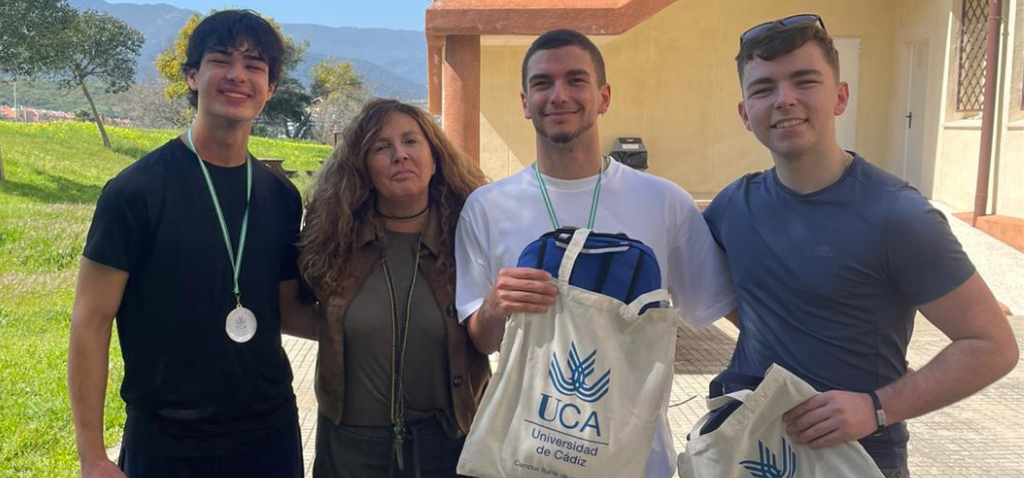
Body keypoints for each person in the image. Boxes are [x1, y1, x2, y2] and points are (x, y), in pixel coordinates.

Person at [703, 14, 1019, 477]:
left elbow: (992, 346)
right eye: (763, 88)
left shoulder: (898, 215)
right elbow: (704, 284)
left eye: (804, 81)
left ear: (840, 97)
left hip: (858, 459)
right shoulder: (733, 206)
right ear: (745, 112)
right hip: (749, 451)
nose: (785, 99)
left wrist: (878, 406)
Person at [454, 29, 737, 478]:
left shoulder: (665, 203)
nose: (559, 95)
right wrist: (494, 306)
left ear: (604, 96)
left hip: (639, 462)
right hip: (527, 456)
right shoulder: (487, 207)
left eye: (576, 80)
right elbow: (481, 341)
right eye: (543, 83)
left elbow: (723, 310)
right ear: (525, 102)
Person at [68, 10, 309, 478]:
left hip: (270, 437)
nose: (238, 75)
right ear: (193, 76)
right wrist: (92, 457)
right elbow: (90, 322)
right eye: (222, 60)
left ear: (271, 88)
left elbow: (287, 308)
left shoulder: (280, 195)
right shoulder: (135, 191)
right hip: (167, 444)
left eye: (255, 66)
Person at [300, 98, 491, 478]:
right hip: (352, 447)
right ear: (363, 168)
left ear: (435, 159)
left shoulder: (470, 238)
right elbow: (292, 308)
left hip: (450, 444)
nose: (399, 155)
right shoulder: (331, 243)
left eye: (410, 142)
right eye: (381, 147)